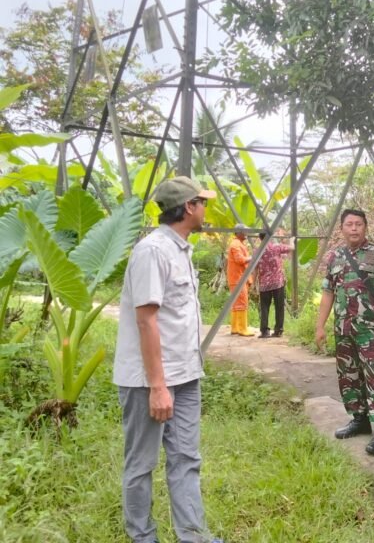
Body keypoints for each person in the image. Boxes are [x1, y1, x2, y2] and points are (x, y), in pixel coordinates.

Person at [113, 176, 223, 543]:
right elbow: (146, 320)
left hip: (186, 375)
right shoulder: (153, 251)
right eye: (202, 202)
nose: (206, 208)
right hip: (149, 381)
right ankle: (142, 537)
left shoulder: (181, 250)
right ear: (189, 207)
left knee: (186, 459)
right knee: (141, 464)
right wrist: (158, 387)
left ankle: (193, 536)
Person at [315, 208, 374, 456]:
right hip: (344, 329)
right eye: (349, 224)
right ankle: (359, 419)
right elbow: (328, 292)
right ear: (342, 228)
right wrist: (320, 326)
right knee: (349, 376)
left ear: (366, 227)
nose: (354, 228)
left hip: (372, 330)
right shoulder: (334, 258)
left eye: (358, 224)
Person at [254, 232, 295, 338]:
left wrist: (254, 283)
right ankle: (278, 330)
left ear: (260, 238)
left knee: (264, 307)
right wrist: (292, 240)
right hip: (278, 283)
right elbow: (291, 248)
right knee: (279, 307)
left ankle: (264, 331)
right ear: (270, 237)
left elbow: (255, 268)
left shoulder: (257, 251)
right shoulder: (276, 247)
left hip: (264, 284)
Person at [227, 223, 255, 336]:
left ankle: (235, 327)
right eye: (245, 231)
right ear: (239, 233)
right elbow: (240, 260)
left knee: (236, 303)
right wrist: (252, 257)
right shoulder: (236, 245)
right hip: (238, 278)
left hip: (237, 277)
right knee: (242, 302)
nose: (246, 234)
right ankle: (243, 328)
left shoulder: (238, 243)